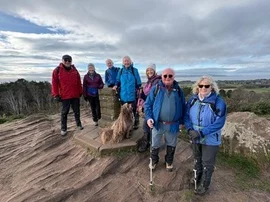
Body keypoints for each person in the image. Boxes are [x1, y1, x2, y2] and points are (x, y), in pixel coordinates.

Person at [184, 75, 227, 195]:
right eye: (201, 85)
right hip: (195, 135)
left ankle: (204, 185)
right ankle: (197, 178)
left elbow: (219, 122)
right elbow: (186, 116)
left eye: (206, 86)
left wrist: (201, 133)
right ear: (197, 87)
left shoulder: (218, 102)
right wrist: (189, 129)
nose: (203, 88)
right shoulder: (193, 100)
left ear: (212, 88)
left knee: (207, 162)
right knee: (197, 159)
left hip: (211, 138)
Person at [144, 68, 185, 172]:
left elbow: (184, 107)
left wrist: (182, 122)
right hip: (157, 123)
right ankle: (154, 160)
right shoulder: (155, 89)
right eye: (165, 75)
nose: (167, 78)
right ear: (161, 76)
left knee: (172, 144)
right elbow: (148, 105)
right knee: (155, 143)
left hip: (173, 124)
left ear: (174, 77)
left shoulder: (179, 91)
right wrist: (149, 118)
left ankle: (169, 161)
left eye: (170, 76)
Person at [51, 54, 83, 136]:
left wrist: (80, 91)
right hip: (64, 96)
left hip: (75, 94)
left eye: (69, 60)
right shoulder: (57, 71)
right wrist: (56, 94)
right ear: (62, 61)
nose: (67, 62)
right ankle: (63, 128)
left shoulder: (75, 70)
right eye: (65, 60)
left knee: (77, 111)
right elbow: (54, 83)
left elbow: (79, 82)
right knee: (64, 112)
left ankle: (79, 125)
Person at [113, 56, 142, 129]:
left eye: (128, 61)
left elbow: (138, 82)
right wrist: (116, 85)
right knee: (125, 112)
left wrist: (138, 90)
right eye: (125, 61)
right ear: (123, 63)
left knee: (134, 110)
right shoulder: (121, 71)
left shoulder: (134, 70)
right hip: (123, 95)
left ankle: (136, 122)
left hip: (132, 95)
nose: (126, 62)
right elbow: (117, 80)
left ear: (130, 61)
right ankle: (127, 125)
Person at [137, 63, 161, 152]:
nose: (149, 71)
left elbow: (152, 96)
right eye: (147, 70)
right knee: (148, 125)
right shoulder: (149, 81)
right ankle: (150, 143)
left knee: (148, 125)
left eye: (151, 70)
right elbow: (146, 95)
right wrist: (141, 95)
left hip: (154, 107)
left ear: (154, 71)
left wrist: (144, 104)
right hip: (149, 106)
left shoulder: (157, 81)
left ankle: (149, 144)